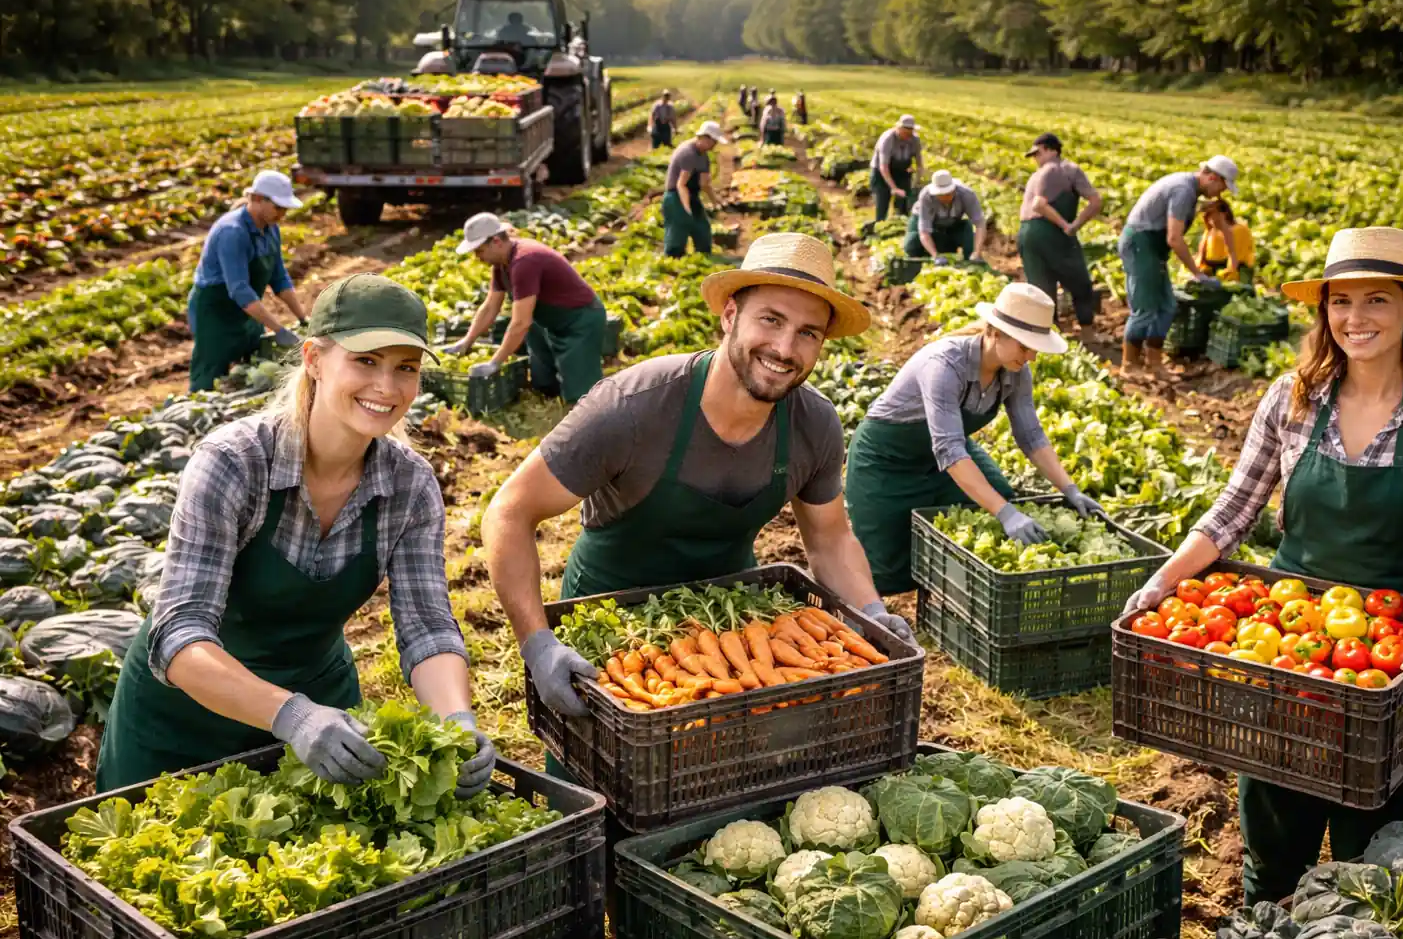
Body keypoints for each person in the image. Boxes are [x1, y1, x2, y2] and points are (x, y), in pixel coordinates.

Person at [1122, 227, 1403, 906]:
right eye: (1341, 301)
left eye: (1377, 299)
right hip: (1282, 649)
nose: (1356, 318)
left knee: (1374, 852)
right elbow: (1232, 512)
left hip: (1396, 658)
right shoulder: (1293, 397)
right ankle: (1263, 934)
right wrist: (1164, 579)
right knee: (1274, 833)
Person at [482, 233, 916, 732]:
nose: (784, 348)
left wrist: (870, 611)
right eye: (771, 320)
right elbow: (509, 512)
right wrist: (538, 643)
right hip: (612, 633)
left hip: (733, 629)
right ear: (730, 315)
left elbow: (830, 539)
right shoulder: (633, 407)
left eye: (807, 333)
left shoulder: (813, 425)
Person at [96, 274, 492, 795]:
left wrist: (455, 719)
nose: (387, 387)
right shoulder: (235, 463)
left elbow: (427, 626)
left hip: (320, 709)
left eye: (406, 368)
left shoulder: (409, 485)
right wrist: (293, 717)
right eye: (365, 361)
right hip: (181, 724)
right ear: (314, 360)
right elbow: (179, 633)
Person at [846, 282, 1105, 594]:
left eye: (1035, 348)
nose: (1032, 357)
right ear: (995, 332)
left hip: (942, 455)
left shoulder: (1015, 371)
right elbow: (949, 449)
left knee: (997, 497)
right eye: (1025, 346)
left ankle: (958, 590)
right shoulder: (944, 365)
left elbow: (1030, 434)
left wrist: (1070, 489)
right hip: (886, 461)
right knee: (883, 565)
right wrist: (1005, 513)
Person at [443, 213, 607, 405]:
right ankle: (552, 394)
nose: (477, 257)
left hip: (580, 321)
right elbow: (490, 307)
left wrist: (495, 362)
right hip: (549, 320)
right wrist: (466, 342)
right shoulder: (502, 265)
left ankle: (594, 412)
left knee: (581, 393)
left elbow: (521, 322)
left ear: (496, 242)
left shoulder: (525, 261)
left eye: (479, 251)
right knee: (543, 383)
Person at [188, 170, 308, 393]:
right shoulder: (232, 232)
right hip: (215, 312)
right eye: (278, 207)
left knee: (249, 364)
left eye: (285, 209)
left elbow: (279, 277)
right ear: (258, 199)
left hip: (248, 311)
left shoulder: (271, 229)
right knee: (211, 371)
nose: (283, 214)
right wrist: (278, 329)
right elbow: (239, 289)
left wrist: (302, 319)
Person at [1118, 155, 1238, 378]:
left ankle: (1154, 364)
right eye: (1221, 187)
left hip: (1152, 248)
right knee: (1144, 309)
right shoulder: (1183, 190)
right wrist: (1198, 273)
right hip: (1140, 245)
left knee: (1167, 307)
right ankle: (1129, 365)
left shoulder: (1189, 190)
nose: (1219, 194)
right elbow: (1174, 238)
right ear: (1212, 178)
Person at [1018, 132, 1104, 345]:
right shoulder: (1068, 169)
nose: (1036, 158)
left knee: (1042, 288)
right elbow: (1095, 201)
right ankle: (1087, 333)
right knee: (1080, 283)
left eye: (1038, 153)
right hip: (1050, 232)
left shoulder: (1036, 176)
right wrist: (1070, 225)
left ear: (1052, 150)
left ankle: (1048, 337)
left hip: (1027, 234)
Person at [662, 121, 728, 258]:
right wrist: (687, 210)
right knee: (678, 232)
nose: (715, 145)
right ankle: (674, 261)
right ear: (705, 138)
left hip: (691, 195)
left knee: (702, 229)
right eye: (714, 141)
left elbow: (704, 184)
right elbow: (681, 185)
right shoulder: (688, 153)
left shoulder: (703, 156)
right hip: (676, 196)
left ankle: (703, 257)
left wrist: (717, 203)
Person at [903, 171, 986, 262]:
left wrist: (977, 252)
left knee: (967, 233)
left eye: (947, 194)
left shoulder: (967, 194)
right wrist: (935, 256)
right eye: (940, 194)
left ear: (953, 190)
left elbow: (980, 224)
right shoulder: (926, 196)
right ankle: (928, 256)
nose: (944, 197)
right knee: (912, 245)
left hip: (952, 222)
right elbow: (924, 231)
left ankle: (969, 261)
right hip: (924, 220)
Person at [870, 115, 924, 223]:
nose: (908, 136)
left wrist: (916, 182)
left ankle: (901, 223)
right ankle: (880, 224)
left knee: (904, 203)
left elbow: (919, 163)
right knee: (882, 202)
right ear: (898, 128)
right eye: (905, 133)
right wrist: (894, 188)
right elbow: (883, 167)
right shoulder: (887, 139)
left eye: (910, 133)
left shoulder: (915, 139)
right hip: (882, 173)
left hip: (901, 171)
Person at [1196, 198, 1256, 284]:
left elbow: (1234, 260)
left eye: (1211, 214)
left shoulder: (1239, 230)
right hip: (1215, 270)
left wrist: (1224, 276)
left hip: (1239, 271)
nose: (1210, 219)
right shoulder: (1210, 232)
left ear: (1224, 214)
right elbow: (1202, 259)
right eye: (1207, 216)